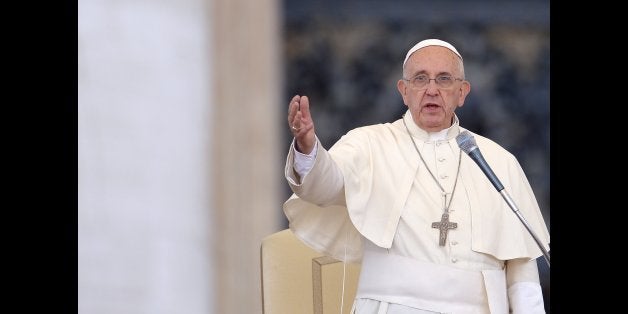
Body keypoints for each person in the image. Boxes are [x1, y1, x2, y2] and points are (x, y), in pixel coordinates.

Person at [283, 38, 550, 313]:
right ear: (404, 91)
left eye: (444, 80)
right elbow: (324, 186)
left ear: (462, 92)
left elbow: (522, 270)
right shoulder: (368, 144)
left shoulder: (498, 161)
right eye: (420, 79)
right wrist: (307, 147)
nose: (431, 90)